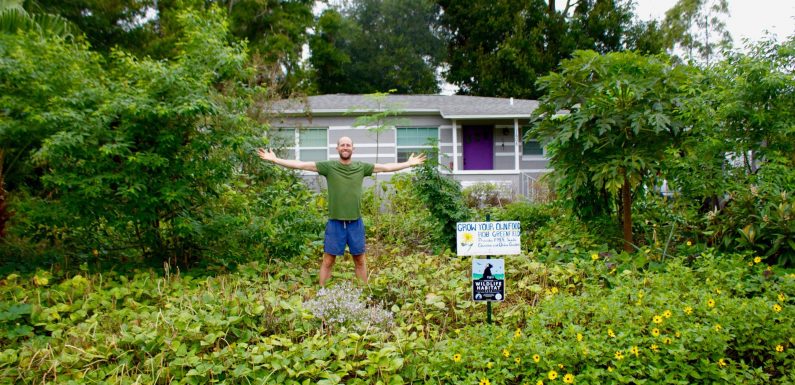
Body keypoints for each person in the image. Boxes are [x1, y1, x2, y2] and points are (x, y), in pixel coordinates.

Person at [257, 136, 426, 285]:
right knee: (328, 261)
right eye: (342, 145)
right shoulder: (329, 167)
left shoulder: (361, 167)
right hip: (335, 223)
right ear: (337, 148)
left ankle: (363, 293)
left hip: (355, 223)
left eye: (348, 145)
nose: (345, 147)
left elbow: (385, 168)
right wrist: (275, 160)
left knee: (360, 260)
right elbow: (301, 165)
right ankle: (322, 295)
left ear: (353, 148)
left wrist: (408, 163)